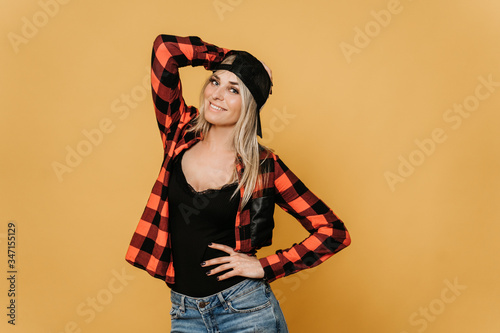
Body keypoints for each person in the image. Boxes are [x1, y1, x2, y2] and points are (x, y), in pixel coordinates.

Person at [125, 34, 351, 333]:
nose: (217, 94)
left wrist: (263, 266)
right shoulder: (180, 131)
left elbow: (333, 231)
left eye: (233, 89)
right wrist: (235, 57)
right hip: (185, 312)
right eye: (215, 81)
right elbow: (166, 49)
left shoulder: (263, 166)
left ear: (250, 105)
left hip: (245, 310)